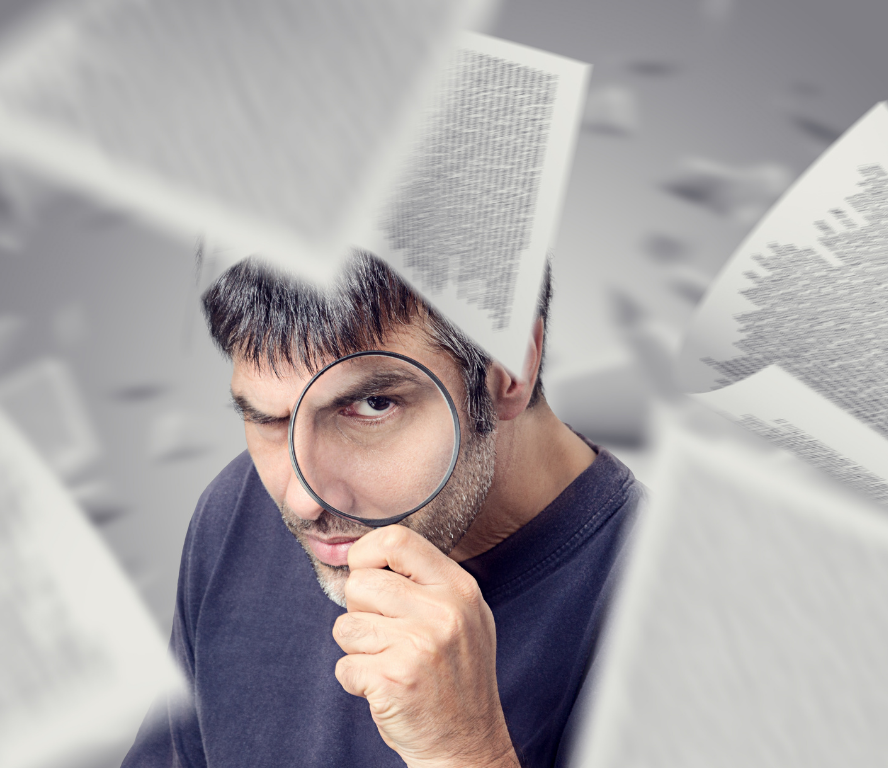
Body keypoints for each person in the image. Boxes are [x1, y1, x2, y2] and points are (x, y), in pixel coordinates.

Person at [121, 251, 644, 768]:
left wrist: (462, 754)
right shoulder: (235, 511)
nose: (303, 501)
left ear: (508, 368)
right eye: (268, 420)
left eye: (372, 406)